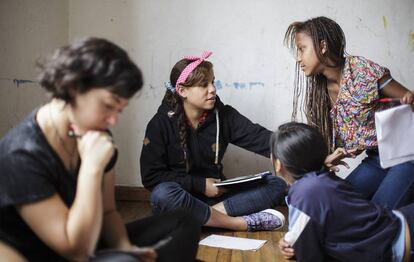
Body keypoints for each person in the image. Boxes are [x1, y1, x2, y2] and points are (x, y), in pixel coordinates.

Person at [0, 37, 200, 262]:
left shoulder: (97, 132)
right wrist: (91, 168)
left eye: (119, 110)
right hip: (54, 253)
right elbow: (75, 251)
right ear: (73, 88)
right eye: (107, 106)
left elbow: (107, 212)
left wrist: (125, 246)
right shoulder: (22, 154)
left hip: (89, 237)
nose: (112, 120)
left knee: (185, 220)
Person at [140, 51, 287, 232]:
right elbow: (151, 176)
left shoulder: (224, 116)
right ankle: (238, 223)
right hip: (180, 198)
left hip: (218, 199)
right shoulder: (160, 124)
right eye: (204, 85)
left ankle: (198, 219)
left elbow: (262, 138)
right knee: (162, 194)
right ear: (182, 91)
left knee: (276, 184)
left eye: (212, 82)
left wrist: (312, 155)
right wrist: (200, 185)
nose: (213, 89)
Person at [284, 16, 414, 209]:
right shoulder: (319, 92)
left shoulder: (362, 71)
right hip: (376, 159)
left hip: (406, 156)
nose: (298, 58)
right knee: (337, 205)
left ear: (322, 46)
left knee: (374, 215)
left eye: (302, 48)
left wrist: (409, 100)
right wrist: (326, 160)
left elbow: (409, 100)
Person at [270, 122, 413, 262]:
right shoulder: (323, 181)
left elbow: (307, 254)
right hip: (402, 225)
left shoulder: (305, 193)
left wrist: (296, 244)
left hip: (403, 241)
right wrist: (294, 240)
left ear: (278, 164)